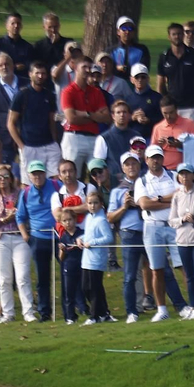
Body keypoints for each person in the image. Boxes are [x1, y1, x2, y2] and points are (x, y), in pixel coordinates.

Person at [135, 145, 187, 322]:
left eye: (158, 157)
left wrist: (157, 200)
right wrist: (169, 201)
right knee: (156, 269)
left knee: (183, 266)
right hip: (152, 226)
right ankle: (162, 309)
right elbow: (144, 204)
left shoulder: (173, 176)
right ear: (146, 160)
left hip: (174, 225)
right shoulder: (141, 181)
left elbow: (181, 195)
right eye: (152, 158)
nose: (155, 161)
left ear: (163, 159)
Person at [0, 164, 34, 322]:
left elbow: (28, 214)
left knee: (22, 277)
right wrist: (4, 219)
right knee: (4, 279)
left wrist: (17, 215)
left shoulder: (19, 194)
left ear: (11, 178)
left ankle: (28, 312)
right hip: (1, 239)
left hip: (19, 237)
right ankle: (8, 314)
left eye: (6, 176)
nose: (3, 180)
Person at [14, 160, 60, 322]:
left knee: (69, 272)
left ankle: (80, 306)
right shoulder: (25, 193)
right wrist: (26, 236)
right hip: (38, 239)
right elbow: (20, 216)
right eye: (34, 174)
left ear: (45, 173)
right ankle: (44, 311)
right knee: (42, 277)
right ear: (29, 176)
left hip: (58, 236)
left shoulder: (56, 185)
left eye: (40, 173)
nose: (37, 176)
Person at [7, 61, 61, 184]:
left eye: (43, 73)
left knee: (55, 180)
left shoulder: (50, 95)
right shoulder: (21, 95)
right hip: (29, 146)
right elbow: (10, 123)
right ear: (30, 74)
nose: (40, 76)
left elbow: (51, 120)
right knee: (28, 183)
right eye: (37, 73)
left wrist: (54, 141)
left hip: (49, 145)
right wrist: (22, 146)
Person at [107, 154, 146, 321]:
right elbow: (110, 217)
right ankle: (132, 311)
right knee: (130, 275)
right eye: (127, 164)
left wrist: (140, 203)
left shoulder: (147, 185)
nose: (131, 167)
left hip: (149, 230)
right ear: (123, 168)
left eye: (134, 163)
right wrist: (124, 207)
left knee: (162, 270)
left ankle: (173, 307)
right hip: (129, 233)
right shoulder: (117, 191)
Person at [168, 163, 194, 320]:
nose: (184, 177)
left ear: (193, 176)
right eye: (181, 174)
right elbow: (171, 220)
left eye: (187, 174)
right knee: (189, 275)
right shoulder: (177, 196)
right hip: (182, 240)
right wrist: (183, 219)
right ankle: (192, 306)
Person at [58, 60, 109, 169]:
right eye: (84, 67)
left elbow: (106, 117)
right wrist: (95, 117)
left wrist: (87, 113)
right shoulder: (68, 91)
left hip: (93, 138)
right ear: (76, 68)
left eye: (89, 67)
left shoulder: (96, 92)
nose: (87, 70)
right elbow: (71, 119)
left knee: (98, 173)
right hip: (74, 137)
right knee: (73, 176)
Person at [156, 23, 194, 127]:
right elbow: (160, 85)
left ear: (183, 35)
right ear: (169, 37)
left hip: (191, 107)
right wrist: (167, 102)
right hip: (172, 108)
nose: (176, 37)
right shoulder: (164, 57)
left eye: (179, 34)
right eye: (174, 34)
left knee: (191, 141)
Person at [78, 190, 114, 324]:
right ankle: (103, 313)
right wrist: (80, 239)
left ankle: (94, 316)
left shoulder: (101, 220)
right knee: (86, 287)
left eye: (95, 203)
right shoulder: (89, 218)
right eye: (90, 203)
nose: (92, 206)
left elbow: (108, 238)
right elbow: (88, 234)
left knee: (93, 287)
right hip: (86, 259)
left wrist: (92, 243)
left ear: (100, 204)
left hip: (97, 259)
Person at [148, 96, 194, 170]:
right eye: (165, 113)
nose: (168, 116)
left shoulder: (189, 124)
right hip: (163, 169)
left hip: (184, 169)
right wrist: (160, 146)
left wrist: (181, 145)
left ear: (176, 110)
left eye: (171, 112)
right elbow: (151, 151)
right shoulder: (158, 128)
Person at [30, 13, 73, 81]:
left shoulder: (68, 43)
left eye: (55, 26)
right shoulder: (39, 45)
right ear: (44, 27)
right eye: (50, 27)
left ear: (59, 26)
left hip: (64, 77)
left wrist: (56, 44)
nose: (53, 30)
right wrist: (52, 45)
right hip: (45, 79)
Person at [125, 63, 164, 135]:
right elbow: (122, 120)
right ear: (131, 79)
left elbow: (163, 119)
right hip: (132, 137)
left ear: (148, 79)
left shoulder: (157, 97)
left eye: (143, 77)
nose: (140, 80)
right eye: (137, 77)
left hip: (151, 136)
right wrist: (132, 117)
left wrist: (149, 120)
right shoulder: (127, 99)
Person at [0, 13, 32, 77]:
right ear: (6, 25)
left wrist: (8, 67)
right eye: (13, 23)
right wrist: (15, 68)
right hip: (2, 83)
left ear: (21, 26)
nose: (16, 26)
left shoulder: (27, 47)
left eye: (18, 23)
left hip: (22, 83)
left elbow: (30, 68)